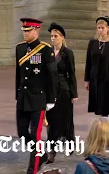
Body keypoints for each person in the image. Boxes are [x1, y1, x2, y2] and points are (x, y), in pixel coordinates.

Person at [15, 18, 58, 174]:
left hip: (39, 98)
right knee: (22, 132)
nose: (25, 34)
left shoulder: (46, 50)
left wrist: (51, 99)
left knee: (35, 134)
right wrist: (17, 94)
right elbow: (18, 75)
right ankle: (41, 154)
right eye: (24, 31)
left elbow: (52, 76)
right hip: (23, 97)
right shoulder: (19, 49)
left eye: (29, 31)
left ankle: (32, 169)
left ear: (37, 30)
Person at [45, 22, 78, 164]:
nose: (53, 39)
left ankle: (67, 143)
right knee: (51, 120)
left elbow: (72, 74)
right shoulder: (47, 52)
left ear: (62, 37)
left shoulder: (67, 53)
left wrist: (74, 93)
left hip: (64, 90)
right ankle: (52, 149)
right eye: (51, 36)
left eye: (56, 36)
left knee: (65, 119)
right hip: (50, 91)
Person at [84, 16, 109, 116]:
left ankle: (105, 123)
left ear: (108, 28)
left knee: (105, 104)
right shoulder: (92, 43)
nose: (100, 30)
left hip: (106, 78)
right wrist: (87, 80)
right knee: (96, 103)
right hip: (94, 77)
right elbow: (88, 61)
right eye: (98, 28)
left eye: (102, 28)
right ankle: (99, 123)